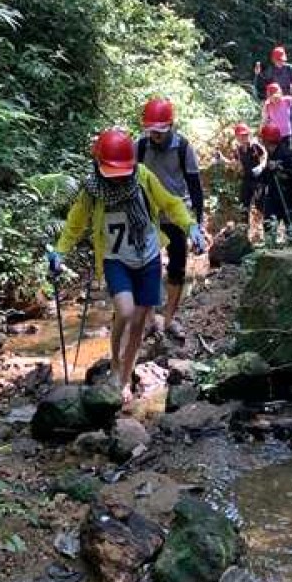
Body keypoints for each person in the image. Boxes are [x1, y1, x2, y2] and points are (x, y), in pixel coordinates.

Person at [48, 128, 205, 402]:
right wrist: (60, 251)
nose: (119, 177)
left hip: (148, 258)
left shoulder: (143, 177)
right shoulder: (92, 191)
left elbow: (170, 203)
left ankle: (124, 377)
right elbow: (76, 223)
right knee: (126, 310)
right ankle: (115, 364)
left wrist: (190, 225)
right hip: (115, 259)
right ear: (99, 165)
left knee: (140, 321)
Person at [136, 97, 205, 340]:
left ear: (171, 125)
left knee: (177, 266)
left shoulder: (184, 148)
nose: (155, 135)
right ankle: (148, 319)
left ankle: (168, 319)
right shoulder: (140, 146)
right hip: (148, 216)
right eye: (152, 130)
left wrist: (199, 222)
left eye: (160, 130)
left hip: (176, 215)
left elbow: (195, 186)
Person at [257, 122, 292, 239]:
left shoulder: (285, 154)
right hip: (275, 197)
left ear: (267, 141)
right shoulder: (272, 154)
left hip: (287, 199)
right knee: (269, 227)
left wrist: (279, 167)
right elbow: (267, 174)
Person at [232, 122, 267, 217]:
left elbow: (265, 156)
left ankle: (266, 228)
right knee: (243, 206)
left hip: (258, 180)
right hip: (246, 180)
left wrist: (261, 166)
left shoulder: (255, 146)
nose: (244, 137)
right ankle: (244, 229)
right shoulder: (238, 150)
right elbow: (235, 164)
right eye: (241, 135)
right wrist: (222, 159)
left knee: (261, 206)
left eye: (246, 135)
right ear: (237, 136)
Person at [261, 81, 292, 148]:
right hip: (273, 135)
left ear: (280, 93)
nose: (275, 98)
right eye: (272, 96)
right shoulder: (268, 105)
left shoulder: (286, 100)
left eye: (276, 95)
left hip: (286, 134)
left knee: (286, 155)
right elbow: (264, 119)